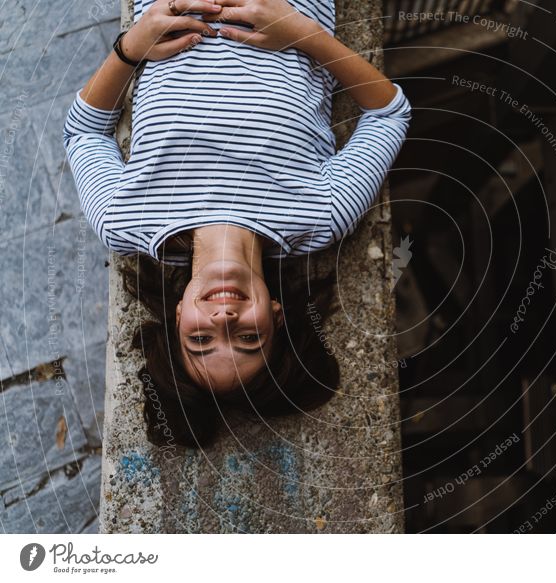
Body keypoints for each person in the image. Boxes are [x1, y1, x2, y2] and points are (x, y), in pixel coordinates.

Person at [62, 0, 411, 447]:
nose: (223, 317)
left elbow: (84, 132)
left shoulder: (126, 219)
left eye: (200, 338)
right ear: (277, 317)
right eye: (248, 336)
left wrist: (132, 46)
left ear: (178, 315)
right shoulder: (320, 215)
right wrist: (303, 33)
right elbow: (388, 114)